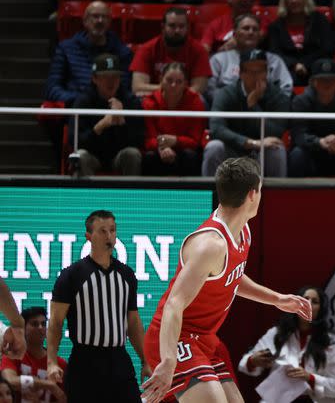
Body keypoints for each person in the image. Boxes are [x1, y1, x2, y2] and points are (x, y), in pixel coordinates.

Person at [141, 157, 312, 403]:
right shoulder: (210, 245)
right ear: (253, 194)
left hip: (205, 338)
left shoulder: (243, 231)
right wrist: (169, 361)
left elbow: (231, 277)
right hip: (175, 337)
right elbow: (173, 305)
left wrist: (277, 299)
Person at [47, 210, 150, 403]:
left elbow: (133, 321)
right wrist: (51, 361)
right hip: (85, 360)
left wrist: (145, 359)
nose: (109, 236)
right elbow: (55, 322)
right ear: (88, 236)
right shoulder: (72, 275)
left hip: (119, 358)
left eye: (112, 230)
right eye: (102, 231)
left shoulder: (126, 275)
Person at [238, 286, 335, 403]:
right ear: (295, 304)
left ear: (321, 309)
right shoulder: (277, 333)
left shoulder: (330, 340)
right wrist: (253, 361)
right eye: (305, 300)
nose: (308, 304)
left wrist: (310, 378)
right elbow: (243, 365)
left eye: (314, 302)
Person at [202, 49, 292, 178]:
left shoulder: (278, 96)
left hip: (263, 151)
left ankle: (277, 197)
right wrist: (250, 142)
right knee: (214, 147)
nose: (256, 76)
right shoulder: (226, 93)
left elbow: (276, 131)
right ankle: (211, 195)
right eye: (250, 72)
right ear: (241, 74)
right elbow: (216, 128)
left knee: (276, 148)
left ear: (267, 73)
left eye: (260, 71)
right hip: (233, 148)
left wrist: (253, 106)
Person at [68, 53, 143, 176]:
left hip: (119, 156)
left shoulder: (130, 101)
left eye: (115, 77)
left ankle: (129, 195)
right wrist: (100, 126)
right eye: (105, 77)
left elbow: (139, 141)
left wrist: (122, 121)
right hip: (93, 156)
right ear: (94, 79)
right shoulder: (83, 101)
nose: (111, 82)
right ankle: (88, 195)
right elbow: (74, 142)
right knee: (80, 156)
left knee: (132, 154)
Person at [46, 1, 132, 107]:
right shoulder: (66, 49)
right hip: (76, 108)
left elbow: (125, 87)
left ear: (110, 22)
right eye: (95, 16)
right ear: (85, 21)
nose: (100, 21)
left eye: (104, 17)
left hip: (111, 108)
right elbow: (52, 88)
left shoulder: (123, 51)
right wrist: (82, 100)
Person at [289, 59, 335, 177]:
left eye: (331, 80)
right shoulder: (301, 102)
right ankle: (293, 194)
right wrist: (319, 142)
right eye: (321, 80)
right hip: (312, 156)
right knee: (297, 154)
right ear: (313, 82)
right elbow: (298, 135)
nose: (326, 83)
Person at [209, 14, 294, 101]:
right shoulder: (218, 60)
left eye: (255, 29)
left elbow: (286, 88)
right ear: (234, 33)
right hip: (229, 109)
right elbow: (210, 88)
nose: (251, 32)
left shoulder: (274, 60)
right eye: (246, 28)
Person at [130, 7, 212, 97]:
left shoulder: (199, 50)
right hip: (155, 99)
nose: (177, 31)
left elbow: (199, 88)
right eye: (172, 26)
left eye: (181, 26)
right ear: (163, 27)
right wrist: (173, 90)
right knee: (139, 97)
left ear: (187, 27)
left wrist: (168, 90)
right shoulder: (147, 49)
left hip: (186, 99)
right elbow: (137, 87)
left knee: (200, 99)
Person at [142, 62, 206, 176]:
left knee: (190, 155)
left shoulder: (195, 102)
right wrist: (162, 146)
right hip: (158, 150)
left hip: (184, 151)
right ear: (161, 79)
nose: (173, 85)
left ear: (186, 84)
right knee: (149, 156)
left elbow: (195, 141)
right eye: (169, 80)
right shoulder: (149, 102)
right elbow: (147, 140)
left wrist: (176, 141)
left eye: (179, 82)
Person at [268, 0, 335, 86]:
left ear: (306, 0)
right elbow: (275, 52)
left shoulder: (319, 20)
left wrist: (305, 64)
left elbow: (328, 48)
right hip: (288, 69)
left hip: (316, 67)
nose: (294, 0)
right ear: (285, 2)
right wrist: (294, 65)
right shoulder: (276, 26)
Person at [1, 307, 67, 403]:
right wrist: (49, 385)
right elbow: (10, 381)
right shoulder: (13, 356)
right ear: (23, 329)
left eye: (43, 324)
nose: (40, 327)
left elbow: (64, 398)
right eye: (34, 324)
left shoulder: (59, 363)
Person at [201, 0, 267, 54]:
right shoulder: (216, 24)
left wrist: (235, 42)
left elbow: (259, 35)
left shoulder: (262, 22)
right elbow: (204, 50)